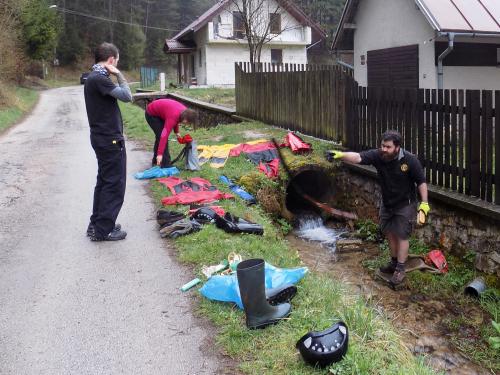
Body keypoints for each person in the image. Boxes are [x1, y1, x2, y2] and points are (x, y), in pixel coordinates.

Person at [327, 130, 430, 285]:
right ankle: (394, 263)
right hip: (388, 202)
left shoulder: (410, 160)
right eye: (382, 145)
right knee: (389, 231)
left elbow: (421, 182)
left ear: (397, 147)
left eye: (388, 147)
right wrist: (341, 155)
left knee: (402, 235)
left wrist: (424, 203)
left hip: (405, 204)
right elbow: (359, 157)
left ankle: (400, 270)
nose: (384, 149)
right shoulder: (379, 155)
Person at [84, 42, 132, 241]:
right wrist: (119, 74)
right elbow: (127, 96)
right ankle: (104, 230)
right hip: (109, 139)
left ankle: (98, 224)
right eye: (117, 61)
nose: (117, 64)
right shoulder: (100, 78)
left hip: (102, 138)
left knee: (104, 182)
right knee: (114, 184)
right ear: (111, 60)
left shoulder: (93, 77)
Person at [145, 98, 197, 168]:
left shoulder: (185, 112)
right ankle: (166, 164)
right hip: (151, 114)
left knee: (159, 136)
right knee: (161, 137)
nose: (187, 124)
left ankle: (156, 161)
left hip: (162, 113)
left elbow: (177, 119)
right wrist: (160, 154)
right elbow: (164, 136)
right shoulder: (173, 116)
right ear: (185, 119)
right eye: (188, 123)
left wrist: (177, 132)